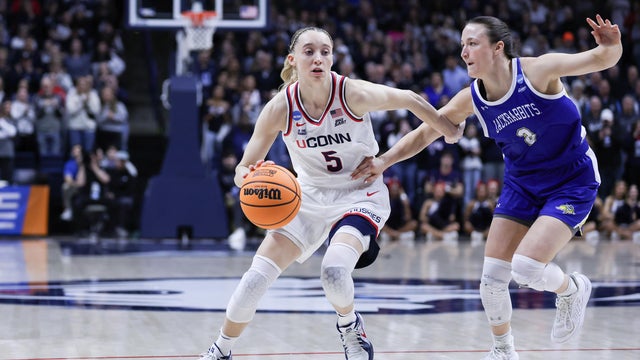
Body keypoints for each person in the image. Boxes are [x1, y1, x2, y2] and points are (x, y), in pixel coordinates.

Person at [352, 14, 622, 360]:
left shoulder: (538, 70)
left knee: (526, 268)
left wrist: (611, 43)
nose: (464, 51)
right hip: (522, 184)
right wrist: (383, 161)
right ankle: (503, 350)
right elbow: (425, 132)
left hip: (571, 179)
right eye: (462, 44)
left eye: (472, 43)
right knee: (491, 280)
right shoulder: (471, 99)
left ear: (498, 48)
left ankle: (571, 290)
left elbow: (601, 59)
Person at [197, 26, 460, 360]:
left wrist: (446, 129)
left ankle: (350, 327)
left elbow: (408, 99)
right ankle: (221, 349)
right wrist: (246, 176)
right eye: (309, 51)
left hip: (359, 194)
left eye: (325, 51)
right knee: (253, 280)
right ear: (292, 60)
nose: (318, 58)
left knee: (334, 272)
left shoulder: (351, 93)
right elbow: (241, 169)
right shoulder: (280, 108)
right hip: (306, 198)